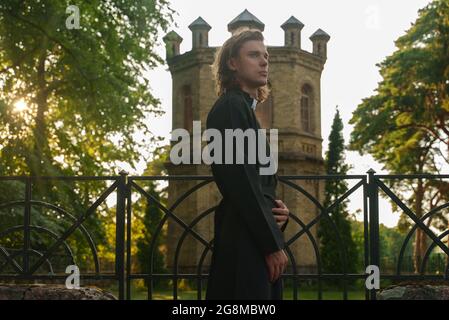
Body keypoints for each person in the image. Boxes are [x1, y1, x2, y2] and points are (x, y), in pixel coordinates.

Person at [205, 29, 290, 300]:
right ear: (232, 63)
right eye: (254, 55)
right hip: (244, 240)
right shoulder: (231, 108)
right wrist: (271, 244)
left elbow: (255, 181)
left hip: (252, 235)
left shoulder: (243, 108)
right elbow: (240, 181)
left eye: (265, 56)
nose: (264, 61)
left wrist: (278, 213)